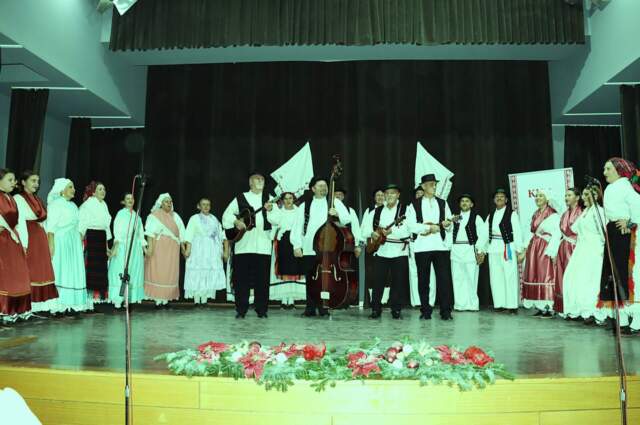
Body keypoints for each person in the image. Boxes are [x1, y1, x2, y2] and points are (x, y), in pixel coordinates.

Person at [291, 177, 351, 316]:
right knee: (311, 279)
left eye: (325, 185)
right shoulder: (305, 205)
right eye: (320, 186)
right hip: (309, 247)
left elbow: (347, 219)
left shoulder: (334, 202)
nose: (324, 188)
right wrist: (296, 245)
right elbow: (297, 226)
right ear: (313, 189)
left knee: (326, 279)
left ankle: (324, 306)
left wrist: (337, 214)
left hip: (329, 248)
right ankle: (310, 308)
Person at [222, 172, 278, 318]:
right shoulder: (241, 197)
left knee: (262, 280)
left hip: (263, 246)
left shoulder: (270, 199)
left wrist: (271, 211)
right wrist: (236, 221)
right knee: (241, 280)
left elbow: (278, 220)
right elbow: (226, 215)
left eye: (262, 179)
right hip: (243, 245)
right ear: (250, 182)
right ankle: (241, 310)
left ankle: (262, 310)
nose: (260, 181)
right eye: (257, 179)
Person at [598, 158, 640, 336]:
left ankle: (636, 321)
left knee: (626, 274)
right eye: (604, 169)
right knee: (614, 275)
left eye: (608, 169)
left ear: (618, 170)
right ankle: (621, 319)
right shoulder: (610, 188)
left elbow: (638, 208)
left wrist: (630, 223)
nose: (605, 173)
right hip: (613, 232)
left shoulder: (626, 187)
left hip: (625, 235)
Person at [405, 174, 455, 321]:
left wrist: (447, 225)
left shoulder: (443, 203)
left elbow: (449, 222)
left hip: (440, 246)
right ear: (423, 186)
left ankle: (446, 311)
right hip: (422, 247)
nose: (434, 187)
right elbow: (411, 225)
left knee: (444, 280)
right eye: (431, 184)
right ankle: (425, 310)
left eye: (435, 184)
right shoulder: (413, 205)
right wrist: (428, 228)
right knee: (423, 280)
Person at [361, 184, 410, 319]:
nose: (389, 196)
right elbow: (364, 229)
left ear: (398, 195)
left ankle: (396, 310)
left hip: (399, 251)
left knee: (398, 282)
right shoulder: (376, 211)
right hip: (381, 251)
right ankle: (376, 309)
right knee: (378, 281)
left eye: (393, 193)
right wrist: (372, 233)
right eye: (387, 193)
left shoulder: (406, 210)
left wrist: (392, 231)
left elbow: (409, 229)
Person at [46, 178, 92, 314]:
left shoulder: (73, 206)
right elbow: (50, 228)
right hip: (61, 241)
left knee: (71, 271)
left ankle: (70, 304)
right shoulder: (55, 204)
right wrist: (51, 245)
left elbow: (77, 225)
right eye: (70, 187)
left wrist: (78, 241)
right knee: (60, 270)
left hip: (73, 242)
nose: (74, 190)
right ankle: (57, 306)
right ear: (62, 190)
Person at [14, 170, 58, 313]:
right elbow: (20, 221)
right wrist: (24, 243)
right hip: (29, 236)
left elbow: (44, 221)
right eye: (33, 181)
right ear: (23, 182)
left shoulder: (37, 199)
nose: (36, 184)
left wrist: (48, 240)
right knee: (31, 270)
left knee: (41, 271)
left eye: (38, 181)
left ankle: (40, 306)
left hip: (39, 237)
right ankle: (27, 306)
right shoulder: (18, 198)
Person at [477, 189, 524, 314]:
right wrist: (481, 249)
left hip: (507, 248)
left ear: (506, 200)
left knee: (510, 276)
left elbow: (517, 232)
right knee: (496, 277)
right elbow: (484, 233)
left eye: (502, 196)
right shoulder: (491, 215)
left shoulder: (512, 214)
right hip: (493, 248)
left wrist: (519, 250)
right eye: (497, 196)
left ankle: (512, 305)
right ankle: (500, 304)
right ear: (494, 200)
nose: (499, 198)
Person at [562, 185, 605, 324]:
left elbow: (603, 233)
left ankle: (595, 312)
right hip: (582, 248)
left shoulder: (599, 211)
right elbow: (574, 228)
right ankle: (581, 310)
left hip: (594, 249)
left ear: (595, 196)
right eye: (584, 194)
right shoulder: (586, 211)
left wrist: (601, 251)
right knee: (575, 278)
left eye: (587, 195)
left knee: (591, 281)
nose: (584, 197)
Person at [522, 189, 561, 317]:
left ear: (547, 199)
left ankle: (549, 306)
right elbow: (531, 232)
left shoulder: (553, 214)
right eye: (537, 196)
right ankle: (540, 305)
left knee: (546, 275)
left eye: (541, 196)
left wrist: (552, 250)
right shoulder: (535, 214)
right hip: (534, 247)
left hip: (545, 246)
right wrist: (525, 247)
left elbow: (556, 233)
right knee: (535, 274)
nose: (537, 198)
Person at [0, 169, 32, 322]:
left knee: (17, 275)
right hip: (2, 240)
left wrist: (22, 242)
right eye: (10, 180)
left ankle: (14, 309)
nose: (14, 183)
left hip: (12, 239)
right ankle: (3, 310)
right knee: (4, 275)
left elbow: (17, 222)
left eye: (14, 180)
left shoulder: (11, 199)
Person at [144, 193, 186, 307]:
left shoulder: (176, 216)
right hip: (159, 248)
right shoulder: (154, 215)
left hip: (172, 249)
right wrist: (149, 248)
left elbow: (182, 234)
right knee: (159, 272)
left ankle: (166, 300)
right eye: (166, 201)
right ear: (161, 203)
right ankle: (158, 300)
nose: (169, 204)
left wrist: (183, 249)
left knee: (170, 273)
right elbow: (150, 233)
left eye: (170, 202)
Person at [184, 198, 228, 305]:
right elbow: (189, 234)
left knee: (208, 272)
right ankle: (196, 299)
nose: (206, 206)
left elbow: (220, 236)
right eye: (203, 204)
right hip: (198, 249)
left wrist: (223, 251)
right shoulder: (194, 218)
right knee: (197, 271)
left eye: (208, 204)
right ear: (199, 206)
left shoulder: (214, 219)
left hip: (211, 250)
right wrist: (188, 249)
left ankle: (204, 299)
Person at [107, 193, 147, 309]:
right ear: (123, 201)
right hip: (123, 246)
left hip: (135, 248)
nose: (130, 200)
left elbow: (140, 234)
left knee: (133, 272)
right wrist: (117, 245)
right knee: (121, 270)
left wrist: (144, 247)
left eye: (132, 198)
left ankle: (128, 299)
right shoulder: (121, 214)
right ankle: (118, 300)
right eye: (127, 198)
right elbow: (117, 231)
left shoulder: (137, 216)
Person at [450, 194, 487, 312]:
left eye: (467, 201)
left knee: (471, 278)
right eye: (462, 201)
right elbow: (449, 232)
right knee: (458, 278)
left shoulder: (476, 217)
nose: (464, 203)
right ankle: (459, 304)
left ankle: (472, 304)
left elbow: (483, 235)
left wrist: (480, 250)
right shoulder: (454, 217)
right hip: (456, 249)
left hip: (470, 249)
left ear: (471, 204)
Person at [269, 192, 305, 308]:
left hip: (295, 242)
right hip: (283, 241)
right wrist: (271, 209)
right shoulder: (279, 212)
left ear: (294, 200)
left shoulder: (299, 212)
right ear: (282, 200)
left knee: (295, 268)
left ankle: (292, 299)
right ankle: (284, 299)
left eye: (290, 198)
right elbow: (273, 221)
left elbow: (301, 227)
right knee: (283, 268)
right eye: (286, 198)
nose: (288, 201)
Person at [79, 181, 112, 304]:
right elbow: (82, 222)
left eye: (104, 189)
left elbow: (106, 226)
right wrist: (80, 240)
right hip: (91, 237)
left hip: (101, 237)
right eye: (100, 189)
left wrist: (107, 247)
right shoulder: (87, 204)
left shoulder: (104, 205)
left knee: (100, 269)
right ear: (93, 192)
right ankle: (88, 299)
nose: (103, 191)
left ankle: (96, 299)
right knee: (91, 268)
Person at [553, 188, 583, 315]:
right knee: (563, 277)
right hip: (563, 247)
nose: (566, 198)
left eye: (569, 195)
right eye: (565, 195)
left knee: (574, 277)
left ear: (577, 197)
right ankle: (566, 307)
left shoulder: (582, 212)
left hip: (575, 247)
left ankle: (577, 308)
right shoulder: (564, 214)